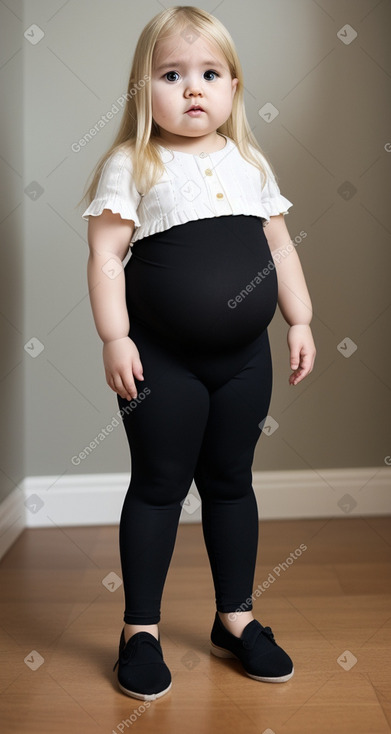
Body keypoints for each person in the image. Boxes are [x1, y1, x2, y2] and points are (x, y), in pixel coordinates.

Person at [79, 5, 316, 702]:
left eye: (209, 74)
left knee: (231, 482)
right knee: (158, 485)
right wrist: (115, 337)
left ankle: (234, 618)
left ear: (233, 88)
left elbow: (279, 246)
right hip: (161, 362)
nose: (192, 89)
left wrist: (298, 319)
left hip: (245, 359)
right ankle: (140, 631)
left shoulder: (249, 162)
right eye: (171, 75)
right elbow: (103, 257)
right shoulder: (131, 163)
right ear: (141, 89)